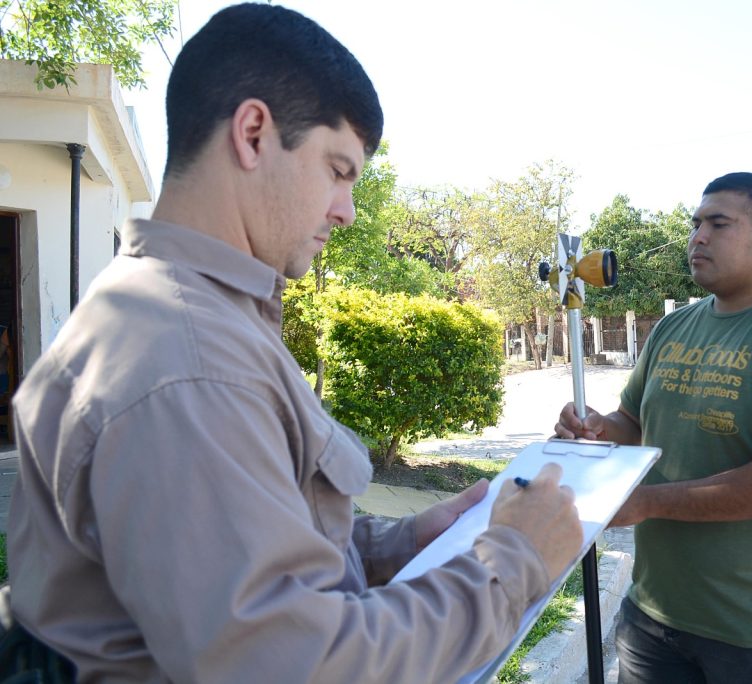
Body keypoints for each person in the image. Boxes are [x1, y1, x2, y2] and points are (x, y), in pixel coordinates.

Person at [4, 4, 582, 682]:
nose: (347, 211)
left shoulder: (192, 315)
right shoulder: (188, 358)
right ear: (253, 134)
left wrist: (398, 544)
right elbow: (291, 663)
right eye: (338, 170)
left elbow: (252, 537)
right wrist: (513, 558)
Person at [554, 172, 752, 683]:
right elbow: (632, 422)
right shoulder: (674, 326)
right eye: (696, 224)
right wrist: (593, 428)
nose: (697, 237)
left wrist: (647, 502)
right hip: (654, 612)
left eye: (717, 224)